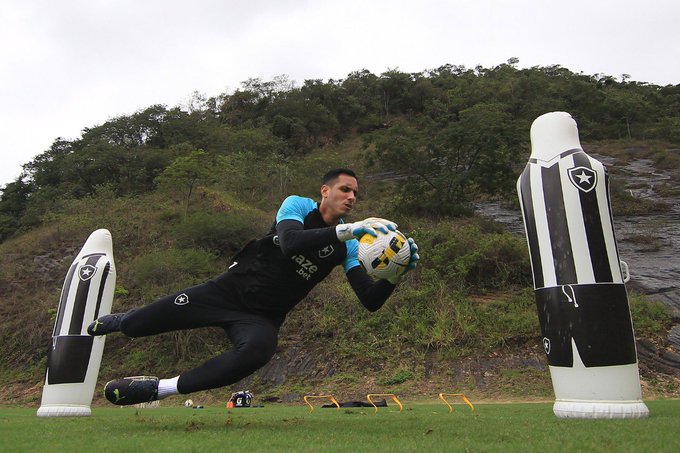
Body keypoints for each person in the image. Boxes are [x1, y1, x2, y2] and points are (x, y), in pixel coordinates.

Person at [88, 168, 419, 406]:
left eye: (356, 193)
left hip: (261, 317)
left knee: (258, 352)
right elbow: (290, 243)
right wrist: (349, 231)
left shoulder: (346, 246)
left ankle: (159, 389)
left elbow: (369, 300)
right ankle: (122, 320)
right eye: (346, 189)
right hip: (225, 291)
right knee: (136, 325)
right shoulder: (298, 206)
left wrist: (393, 276)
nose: (352, 197)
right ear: (325, 191)